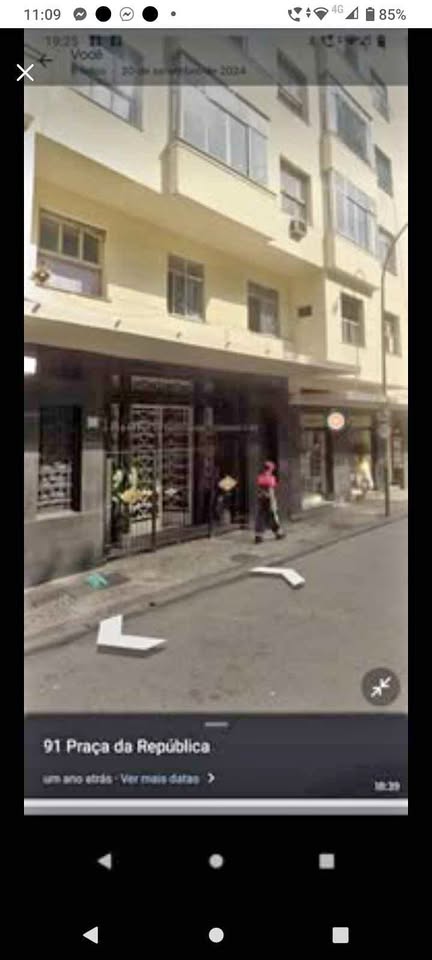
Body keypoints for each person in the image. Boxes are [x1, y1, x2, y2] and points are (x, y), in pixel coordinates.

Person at [255, 460, 286, 544]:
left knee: (260, 517)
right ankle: (278, 533)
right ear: (270, 469)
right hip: (269, 499)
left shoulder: (260, 477)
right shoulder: (271, 478)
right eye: (272, 469)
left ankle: (258, 536)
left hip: (261, 499)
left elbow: (259, 489)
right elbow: (271, 491)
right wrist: (273, 503)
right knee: (272, 516)